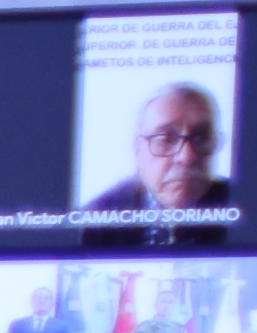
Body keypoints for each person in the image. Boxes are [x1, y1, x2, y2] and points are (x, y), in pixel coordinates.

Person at [83, 82, 234, 243]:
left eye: (201, 138)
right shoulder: (96, 220)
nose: (187, 157)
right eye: (166, 139)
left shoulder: (240, 204)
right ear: (137, 148)